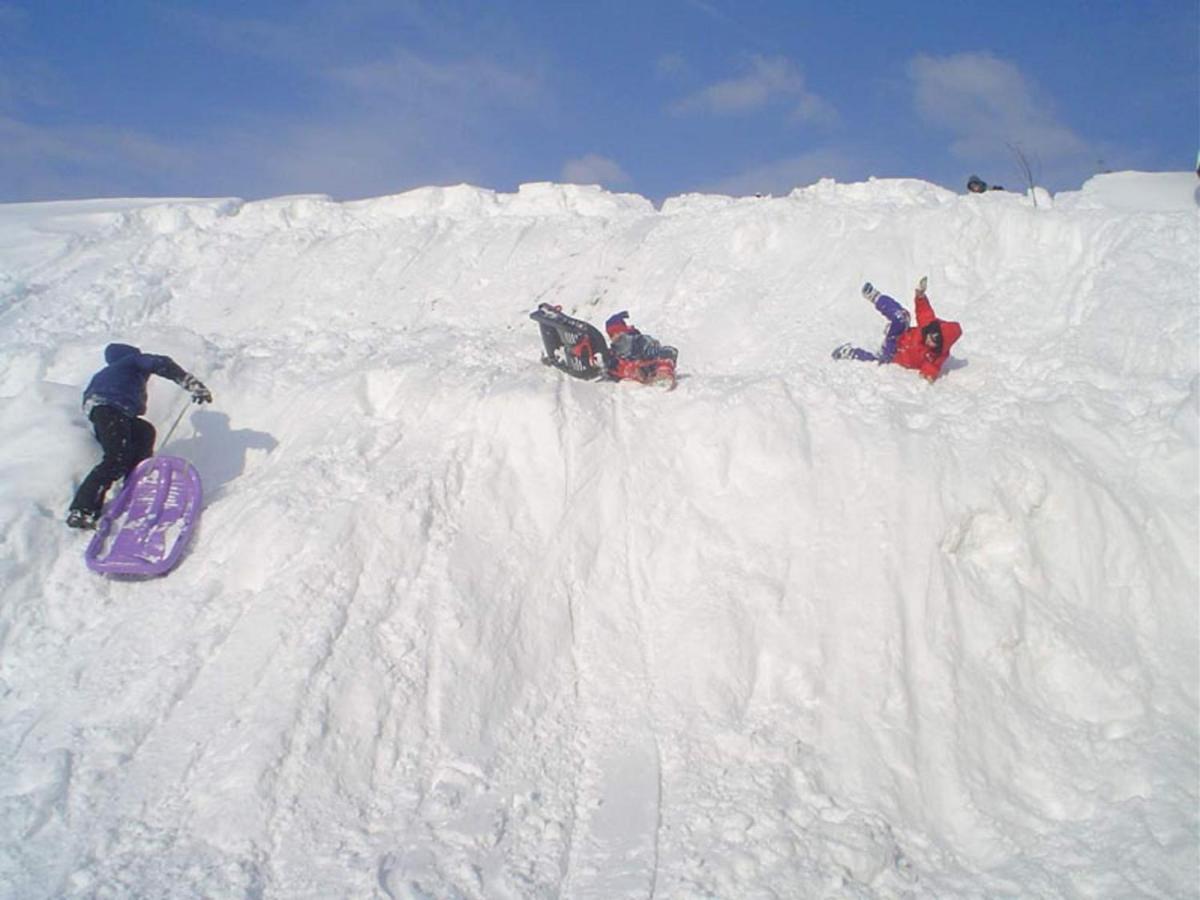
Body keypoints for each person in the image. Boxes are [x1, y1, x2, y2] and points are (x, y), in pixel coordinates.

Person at [66, 343, 212, 529]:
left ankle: (135, 483)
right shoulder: (131, 362)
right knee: (115, 458)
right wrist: (191, 383)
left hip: (107, 413)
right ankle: (82, 510)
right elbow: (160, 362)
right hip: (110, 409)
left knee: (144, 432)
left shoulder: (106, 374)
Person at [832, 277, 962, 382]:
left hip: (893, 353)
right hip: (900, 335)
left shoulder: (938, 355)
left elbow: (932, 368)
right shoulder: (928, 325)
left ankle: (850, 353)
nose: (930, 341)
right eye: (932, 336)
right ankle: (875, 297)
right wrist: (920, 295)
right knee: (903, 317)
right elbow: (923, 310)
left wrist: (928, 375)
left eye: (935, 342)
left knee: (877, 362)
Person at [604, 311, 677, 364]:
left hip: (649, 363)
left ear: (622, 332)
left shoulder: (639, 342)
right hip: (635, 371)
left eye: (614, 334)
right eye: (610, 335)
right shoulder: (615, 350)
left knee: (658, 358)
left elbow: (654, 352)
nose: (613, 338)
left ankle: (663, 372)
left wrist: (668, 353)